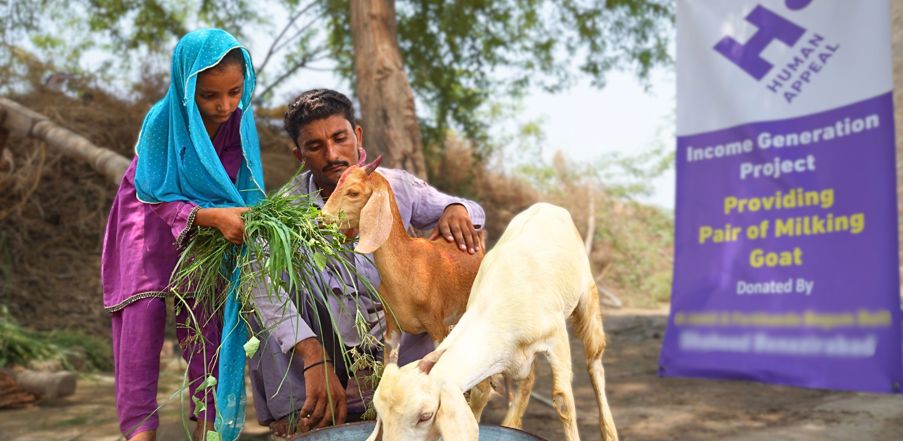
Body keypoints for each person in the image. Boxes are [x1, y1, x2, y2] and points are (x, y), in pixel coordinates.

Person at [247, 89, 484, 438]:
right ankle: (301, 417)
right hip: (328, 352)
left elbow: (467, 208)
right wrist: (312, 354)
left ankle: (426, 395)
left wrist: (457, 210)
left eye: (339, 138)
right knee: (255, 295)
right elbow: (258, 281)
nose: (332, 154)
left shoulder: (396, 187)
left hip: (397, 348)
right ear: (299, 155)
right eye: (315, 147)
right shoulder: (286, 210)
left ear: (356, 137)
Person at [101, 28, 266, 441]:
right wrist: (209, 216)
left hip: (210, 224)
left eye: (234, 91)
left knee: (203, 316)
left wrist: (241, 218)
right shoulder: (162, 120)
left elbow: (238, 185)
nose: (224, 105)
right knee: (143, 313)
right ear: (185, 85)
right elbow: (153, 192)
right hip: (148, 215)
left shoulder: (240, 121)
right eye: (210, 95)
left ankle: (209, 428)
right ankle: (140, 433)